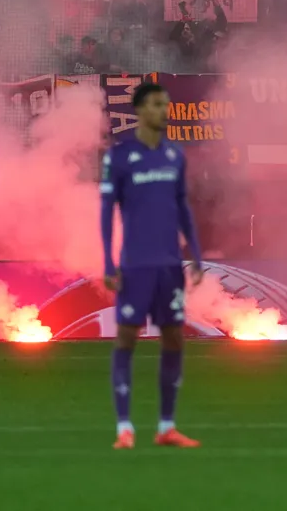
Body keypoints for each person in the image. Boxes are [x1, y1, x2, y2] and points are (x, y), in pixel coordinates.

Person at [101, 81, 205, 449]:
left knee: (174, 337)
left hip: (169, 266)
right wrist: (108, 263)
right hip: (136, 266)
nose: (165, 111)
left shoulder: (175, 156)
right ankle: (124, 428)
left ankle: (166, 427)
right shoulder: (119, 157)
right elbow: (105, 212)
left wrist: (195, 255)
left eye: (167, 105)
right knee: (127, 337)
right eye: (159, 105)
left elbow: (183, 209)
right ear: (141, 109)